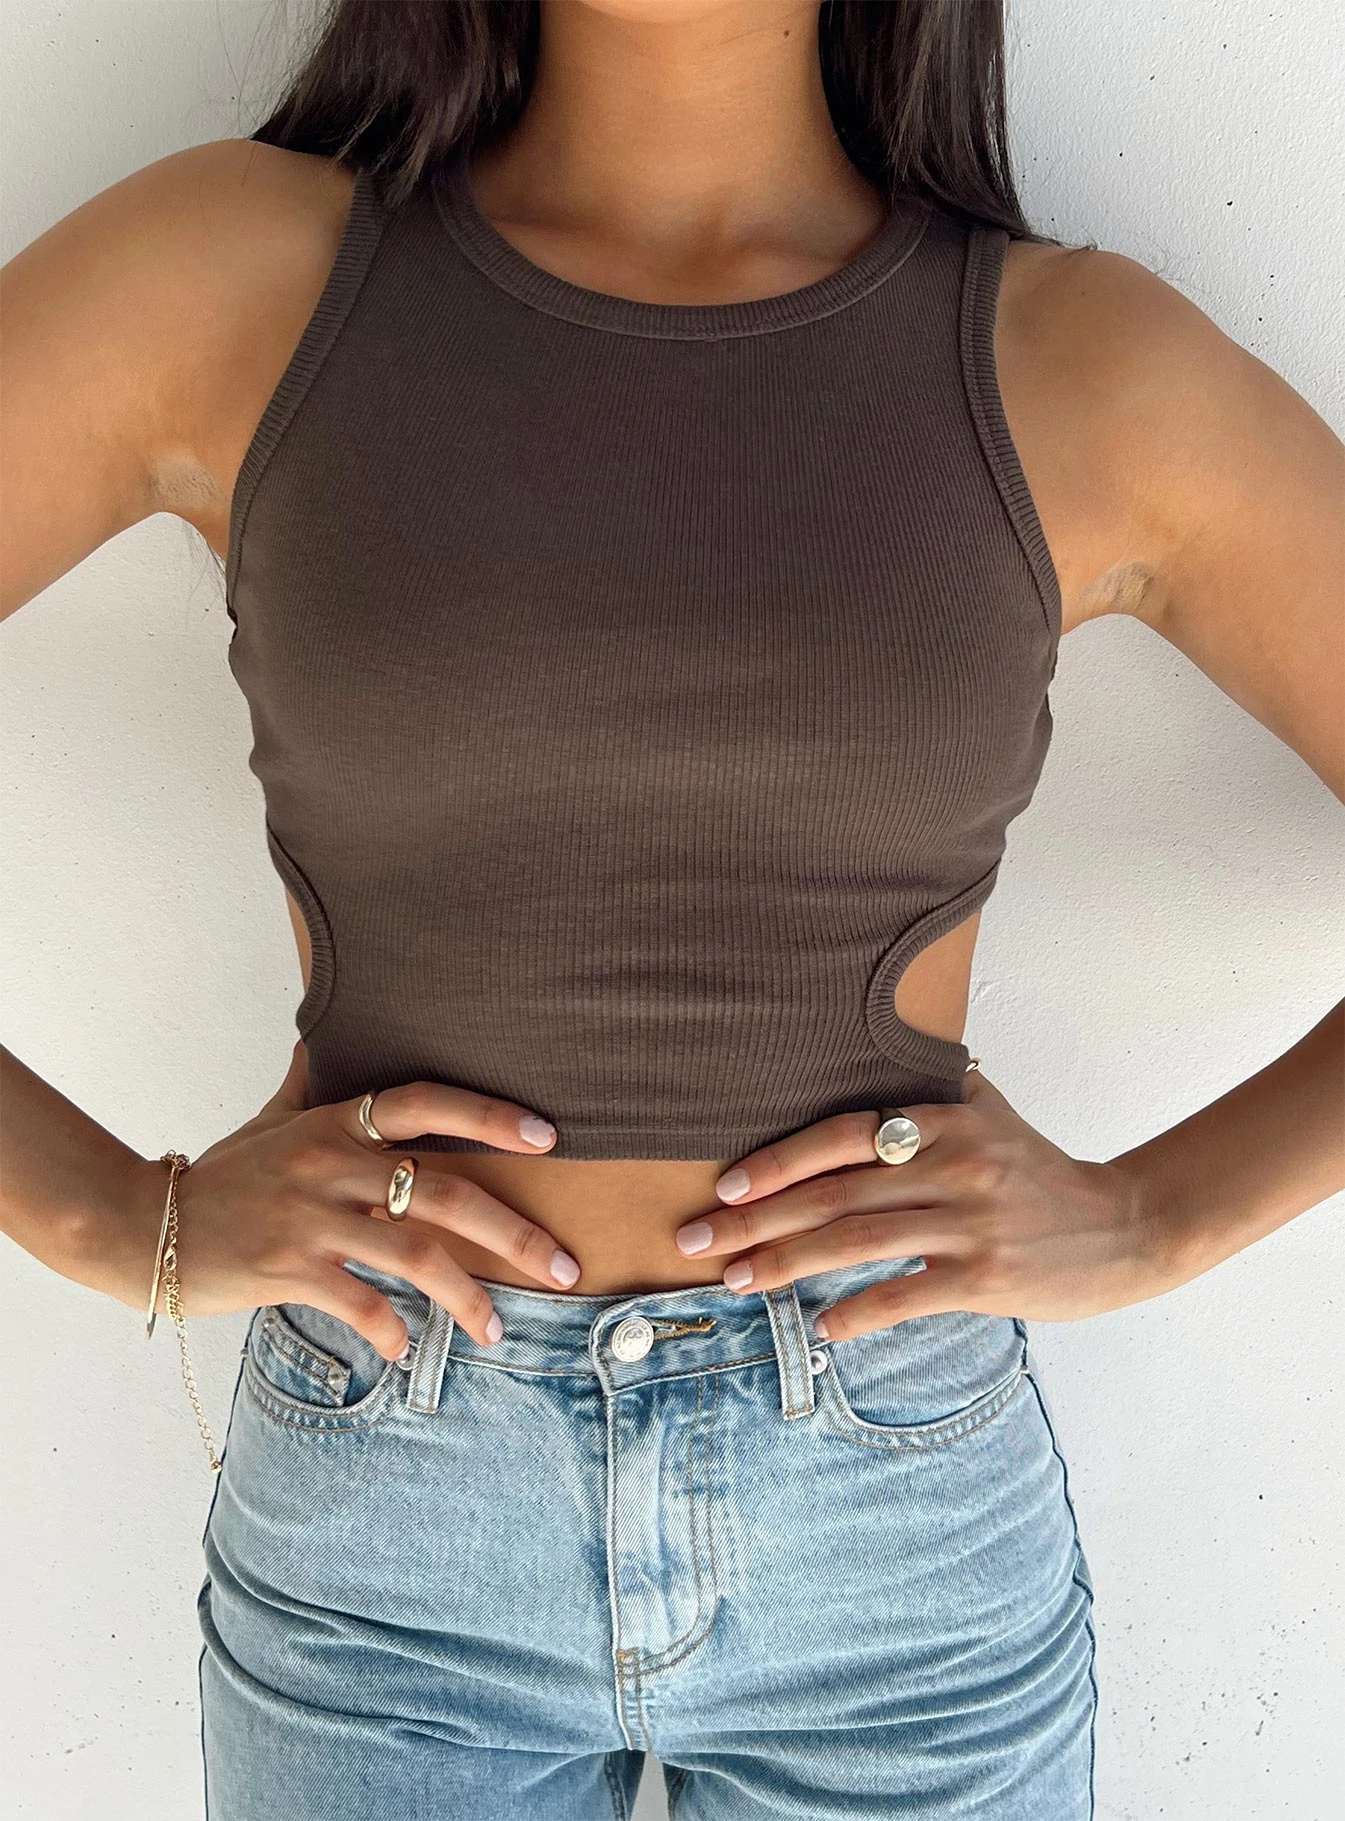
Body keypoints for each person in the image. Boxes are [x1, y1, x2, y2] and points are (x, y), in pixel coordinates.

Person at [2, 2, 1341, 1816]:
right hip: (392, 1520)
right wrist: (114, 1218)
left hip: (895, 1540)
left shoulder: (1073, 361)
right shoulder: (236, 277)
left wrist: (1158, 1219)